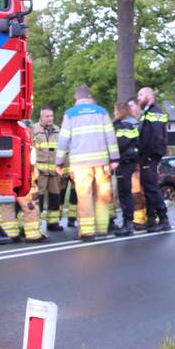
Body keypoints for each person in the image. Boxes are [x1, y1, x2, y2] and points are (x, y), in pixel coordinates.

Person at [56, 85, 120, 242]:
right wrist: (114, 158)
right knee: (102, 196)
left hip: (80, 164)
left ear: (76, 97)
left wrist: (59, 162)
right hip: (102, 163)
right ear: (89, 96)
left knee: (84, 196)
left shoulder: (70, 114)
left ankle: (87, 232)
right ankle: (102, 228)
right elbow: (110, 136)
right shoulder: (102, 112)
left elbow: (63, 139)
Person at [0, 139, 48, 243]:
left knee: (7, 205)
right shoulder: (24, 142)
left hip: (5, 178)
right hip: (24, 178)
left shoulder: (0, 141)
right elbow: (31, 165)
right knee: (30, 205)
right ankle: (33, 235)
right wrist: (34, 178)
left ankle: (11, 234)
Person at [137, 86, 171, 232]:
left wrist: (147, 155)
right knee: (148, 187)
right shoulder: (146, 112)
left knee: (152, 187)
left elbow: (156, 137)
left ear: (150, 96)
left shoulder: (155, 112)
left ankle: (163, 219)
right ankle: (151, 219)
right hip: (146, 156)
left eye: (141, 94)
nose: (138, 97)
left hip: (151, 155)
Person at [31, 107, 64, 231]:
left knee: (55, 197)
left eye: (51, 116)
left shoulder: (57, 130)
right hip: (39, 172)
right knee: (37, 198)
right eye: (47, 116)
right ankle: (35, 224)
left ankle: (53, 223)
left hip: (54, 172)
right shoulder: (34, 129)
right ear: (41, 117)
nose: (50, 118)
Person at [113, 101, 140, 237]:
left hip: (125, 160)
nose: (113, 113)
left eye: (115, 110)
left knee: (125, 193)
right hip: (129, 159)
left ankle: (128, 224)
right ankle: (128, 222)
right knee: (125, 192)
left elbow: (121, 142)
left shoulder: (126, 124)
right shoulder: (132, 122)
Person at [126, 98, 149, 230]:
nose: (130, 110)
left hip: (142, 160)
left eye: (132, 106)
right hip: (135, 162)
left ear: (138, 107)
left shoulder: (142, 122)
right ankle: (140, 218)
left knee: (143, 190)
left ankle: (148, 217)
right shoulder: (132, 123)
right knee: (136, 191)